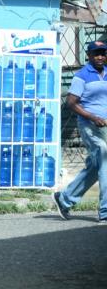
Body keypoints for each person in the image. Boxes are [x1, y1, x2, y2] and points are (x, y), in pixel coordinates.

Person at [53, 41, 107, 225]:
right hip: (89, 126)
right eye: (96, 54)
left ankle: (65, 199)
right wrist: (92, 117)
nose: (100, 57)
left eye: (103, 53)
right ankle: (105, 210)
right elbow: (71, 103)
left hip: (105, 126)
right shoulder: (81, 76)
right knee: (105, 157)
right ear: (89, 56)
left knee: (96, 167)